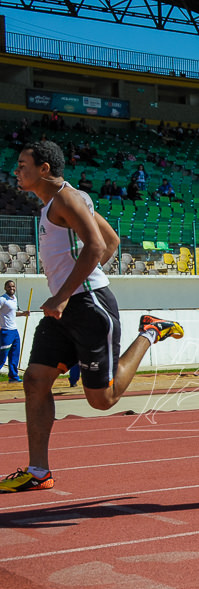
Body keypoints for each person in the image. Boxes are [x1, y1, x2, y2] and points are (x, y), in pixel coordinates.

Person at [0, 141, 184, 493]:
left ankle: (150, 331)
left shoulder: (68, 199)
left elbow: (98, 246)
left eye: (22, 164)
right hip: (68, 307)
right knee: (35, 381)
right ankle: (38, 471)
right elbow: (112, 240)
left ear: (44, 169)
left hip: (88, 307)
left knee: (102, 400)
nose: (16, 170)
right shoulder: (57, 203)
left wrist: (66, 293)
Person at [0, 280, 30, 383]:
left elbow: (12, 314)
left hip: (14, 331)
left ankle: (13, 376)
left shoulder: (14, 299)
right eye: (9, 286)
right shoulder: (2, 299)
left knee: (14, 354)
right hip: (5, 331)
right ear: (5, 288)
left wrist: (23, 313)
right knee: (2, 356)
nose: (11, 288)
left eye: (13, 286)